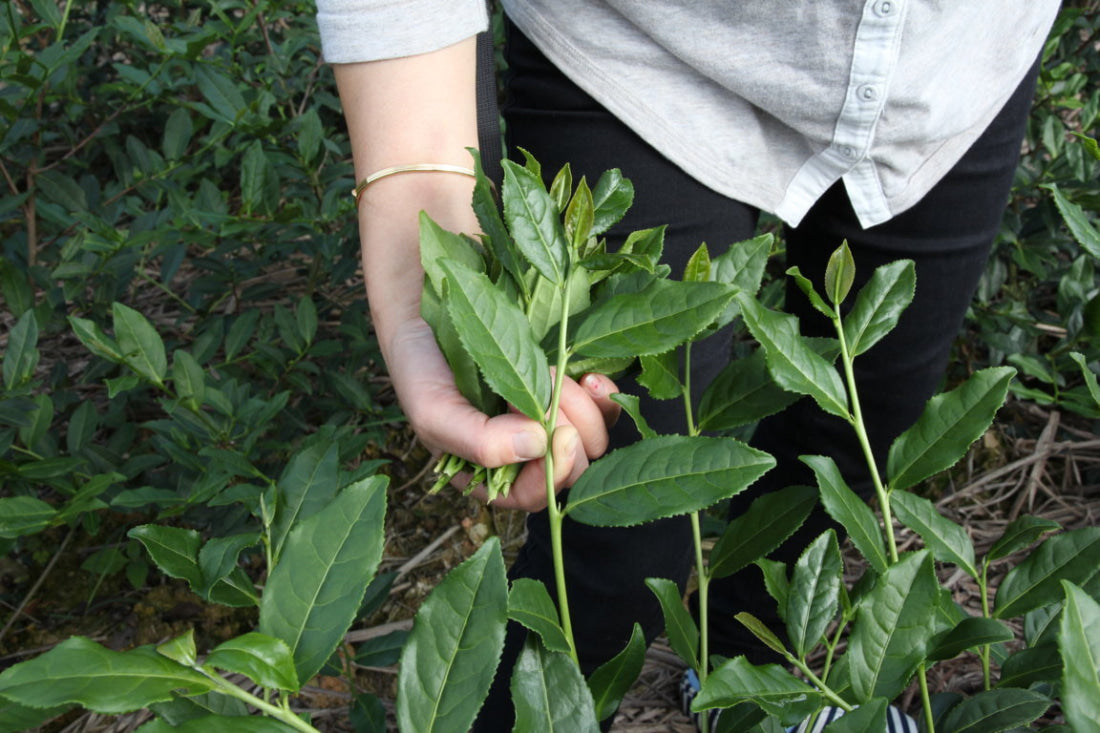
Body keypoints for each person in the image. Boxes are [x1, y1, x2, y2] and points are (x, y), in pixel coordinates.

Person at [314, 1, 1061, 730]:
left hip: (956, 62)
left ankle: (753, 674)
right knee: (614, 526)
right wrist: (420, 184)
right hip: (639, 52)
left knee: (859, 431)